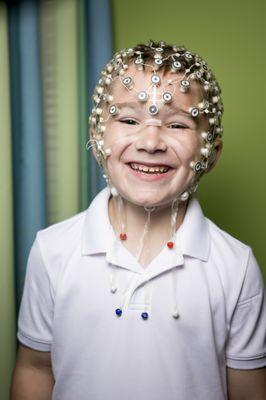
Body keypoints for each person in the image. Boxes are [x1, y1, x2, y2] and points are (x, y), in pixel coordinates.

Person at [10, 41, 265, 400]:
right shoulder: (53, 250)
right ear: (98, 137)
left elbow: (249, 390)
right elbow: (34, 367)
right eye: (129, 119)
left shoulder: (236, 267)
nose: (150, 141)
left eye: (176, 124)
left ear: (211, 152)